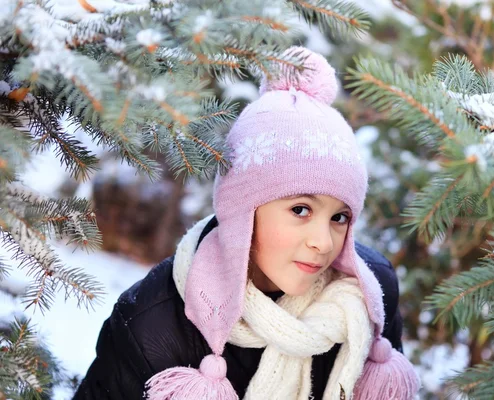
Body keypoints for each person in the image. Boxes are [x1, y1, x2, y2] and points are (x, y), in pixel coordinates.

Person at [74, 46, 420, 400]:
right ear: (242, 210)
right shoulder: (153, 324)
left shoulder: (368, 298)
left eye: (339, 217)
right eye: (300, 210)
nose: (324, 242)